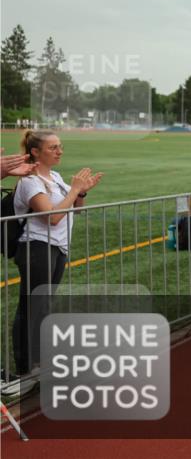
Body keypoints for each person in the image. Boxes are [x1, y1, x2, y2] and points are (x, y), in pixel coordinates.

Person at [9, 130, 103, 391]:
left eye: (60, 146)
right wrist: (74, 189)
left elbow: (75, 209)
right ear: (36, 152)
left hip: (57, 247)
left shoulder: (57, 177)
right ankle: (27, 369)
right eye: (53, 147)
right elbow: (52, 217)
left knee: (43, 305)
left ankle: (40, 363)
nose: (59, 151)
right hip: (36, 247)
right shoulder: (30, 181)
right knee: (32, 307)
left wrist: (80, 194)